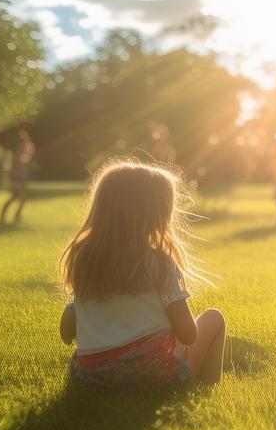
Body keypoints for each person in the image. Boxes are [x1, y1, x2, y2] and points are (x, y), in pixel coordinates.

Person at [58, 160, 226, 387]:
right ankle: (204, 386)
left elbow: (66, 334)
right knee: (214, 318)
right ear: (158, 215)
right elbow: (188, 335)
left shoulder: (85, 261)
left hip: (89, 379)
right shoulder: (159, 262)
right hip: (155, 376)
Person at [0, 130, 36, 224]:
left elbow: (28, 156)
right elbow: (19, 159)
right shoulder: (16, 151)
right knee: (17, 196)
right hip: (17, 177)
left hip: (22, 177)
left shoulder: (28, 147)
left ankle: (16, 215)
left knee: (22, 197)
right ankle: (6, 215)